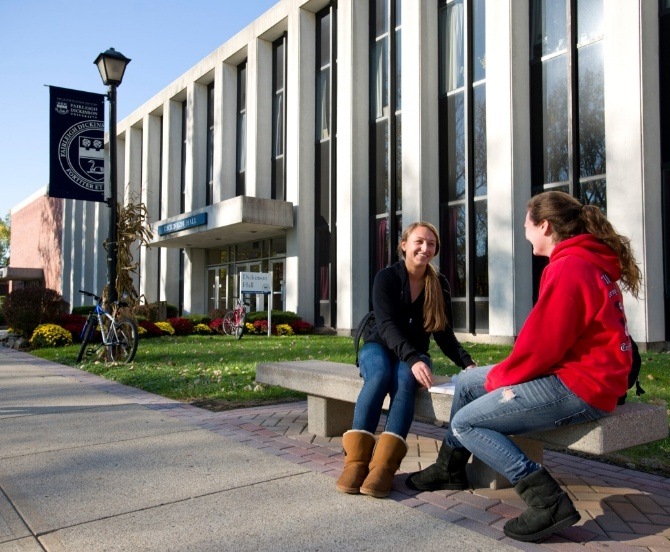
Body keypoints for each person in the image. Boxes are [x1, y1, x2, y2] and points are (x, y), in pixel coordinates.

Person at [406, 191, 642, 542]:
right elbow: (549, 344)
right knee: (470, 382)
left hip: (581, 386)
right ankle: (449, 468)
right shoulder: (580, 260)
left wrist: (502, 378)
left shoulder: (569, 267)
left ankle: (547, 501)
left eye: (527, 224)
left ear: (544, 226)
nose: (524, 231)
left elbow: (540, 349)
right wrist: (494, 376)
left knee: (467, 422)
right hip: (577, 372)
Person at [336, 221, 476, 499]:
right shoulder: (386, 277)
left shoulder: (439, 284)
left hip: (413, 356)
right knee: (379, 377)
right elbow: (386, 325)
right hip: (379, 347)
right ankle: (356, 462)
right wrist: (413, 358)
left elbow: (444, 333)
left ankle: (383, 467)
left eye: (431, 244)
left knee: (404, 383)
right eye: (419, 242)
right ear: (404, 245)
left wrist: (467, 364)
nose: (425, 248)